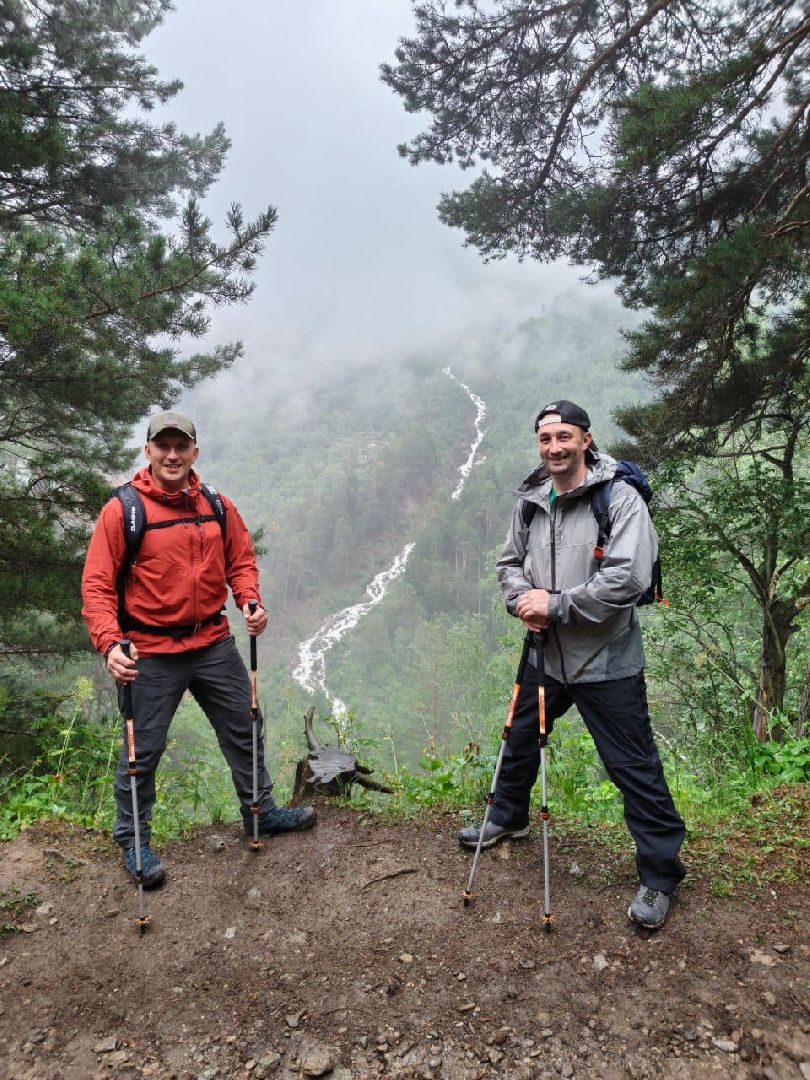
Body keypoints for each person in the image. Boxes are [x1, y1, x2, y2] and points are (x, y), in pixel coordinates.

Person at [459, 400, 685, 930]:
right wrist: (521, 601)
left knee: (632, 765)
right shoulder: (532, 500)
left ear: (586, 438)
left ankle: (660, 874)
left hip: (606, 659)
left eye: (564, 436)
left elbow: (629, 579)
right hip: (544, 654)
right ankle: (507, 817)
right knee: (518, 737)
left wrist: (555, 605)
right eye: (545, 438)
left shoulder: (620, 500)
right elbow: (509, 563)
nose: (554, 447)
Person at [82, 410, 315, 887]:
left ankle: (260, 812)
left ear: (194, 452)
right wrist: (110, 645)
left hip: (212, 641)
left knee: (246, 727)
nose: (172, 455)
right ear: (148, 451)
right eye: (162, 446)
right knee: (141, 750)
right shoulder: (123, 510)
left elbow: (241, 560)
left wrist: (249, 600)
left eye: (180, 446)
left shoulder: (216, 504)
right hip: (149, 649)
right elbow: (98, 586)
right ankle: (133, 840)